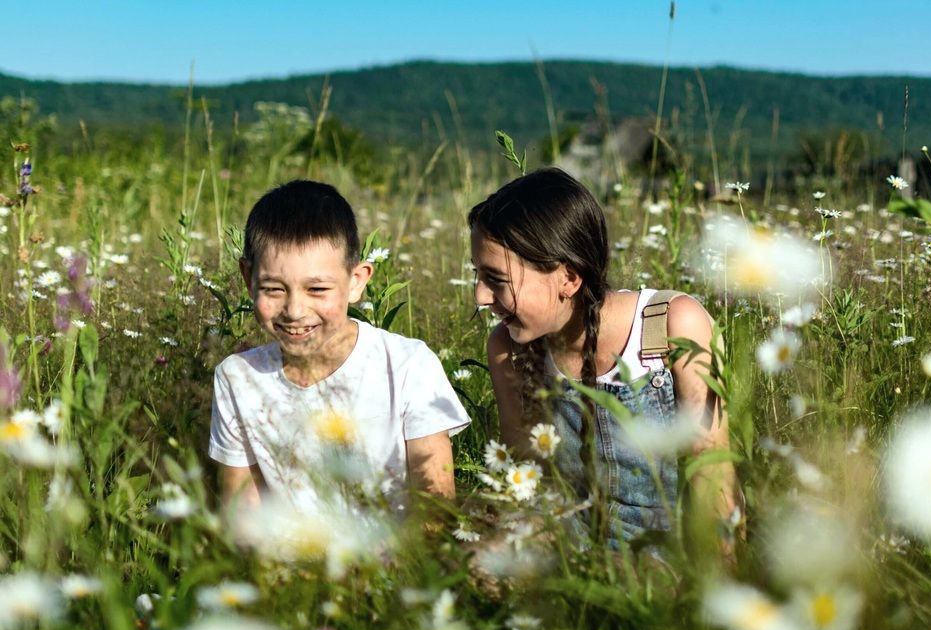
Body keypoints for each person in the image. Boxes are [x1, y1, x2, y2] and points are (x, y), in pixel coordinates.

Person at [468, 167, 739, 555]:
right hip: (569, 556)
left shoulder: (672, 326)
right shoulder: (507, 349)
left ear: (569, 278)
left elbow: (712, 475)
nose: (479, 296)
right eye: (477, 275)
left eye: (496, 279)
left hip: (667, 558)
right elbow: (527, 478)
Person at [209, 180, 470, 512]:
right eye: (274, 288)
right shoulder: (238, 379)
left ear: (356, 281)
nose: (295, 310)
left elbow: (435, 507)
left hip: (396, 561)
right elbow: (244, 517)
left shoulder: (406, 365)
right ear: (248, 279)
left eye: (317, 289)